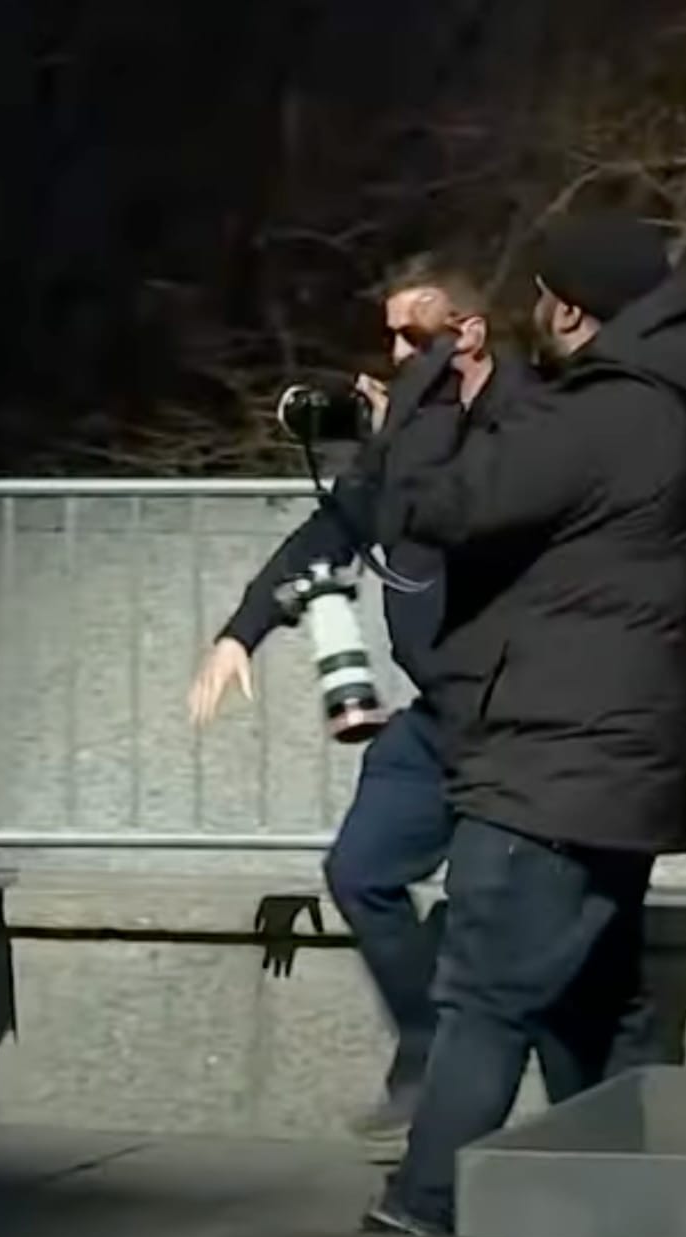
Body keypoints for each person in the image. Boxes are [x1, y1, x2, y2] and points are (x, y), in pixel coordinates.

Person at [368, 212, 686, 1235]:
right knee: (595, 1008)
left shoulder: (602, 413)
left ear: (569, 308)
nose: (530, 314)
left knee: (481, 996)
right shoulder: (667, 411)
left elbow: (441, 507)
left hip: (552, 763)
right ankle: (627, 1211)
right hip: (619, 765)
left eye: (539, 296)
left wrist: (421, 402)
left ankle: (421, 1207)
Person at [187, 253, 532, 1143]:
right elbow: (333, 527)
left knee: (502, 913)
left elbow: (476, 511)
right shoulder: (408, 435)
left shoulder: (526, 419)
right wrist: (241, 631)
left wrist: (407, 438)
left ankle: (498, 1104)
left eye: (412, 338)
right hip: (439, 714)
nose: (392, 355)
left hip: (517, 710)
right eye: (387, 338)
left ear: (470, 335)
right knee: (361, 872)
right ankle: (424, 1051)